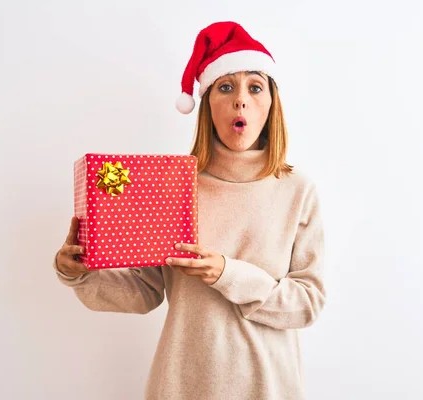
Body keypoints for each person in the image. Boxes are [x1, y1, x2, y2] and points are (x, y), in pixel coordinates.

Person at [54, 21, 326, 400]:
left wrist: (227, 273)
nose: (241, 100)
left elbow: (308, 303)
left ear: (271, 104)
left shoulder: (298, 191)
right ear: (207, 105)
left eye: (255, 86)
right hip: (183, 385)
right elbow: (146, 291)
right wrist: (80, 274)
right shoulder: (173, 185)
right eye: (226, 87)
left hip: (269, 387)